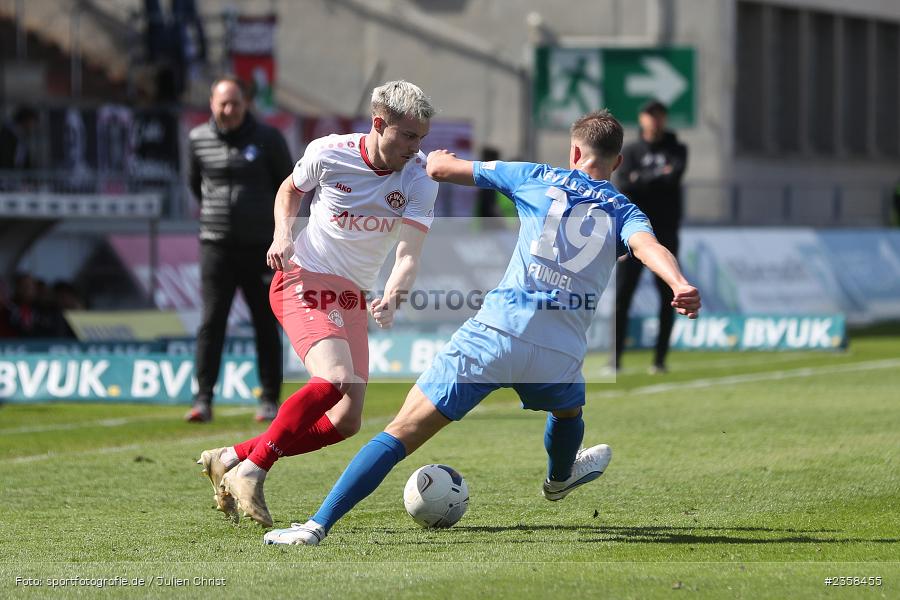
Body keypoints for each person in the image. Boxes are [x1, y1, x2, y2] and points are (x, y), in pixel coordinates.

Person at [261, 109, 702, 545]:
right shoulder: (625, 209)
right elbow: (649, 248)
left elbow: (440, 167)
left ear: (573, 151)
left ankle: (315, 526)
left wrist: (434, 157)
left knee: (399, 433)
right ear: (617, 162)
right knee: (568, 411)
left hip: (495, 334)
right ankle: (559, 476)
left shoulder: (534, 175)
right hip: (558, 351)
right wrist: (679, 284)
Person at [195, 80, 439, 527]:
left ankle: (230, 458)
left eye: (421, 137)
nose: (416, 147)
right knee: (333, 380)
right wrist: (283, 234)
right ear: (378, 124)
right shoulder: (330, 151)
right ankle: (252, 470)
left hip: (350, 296)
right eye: (408, 136)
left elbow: (408, 255)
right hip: (302, 277)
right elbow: (290, 189)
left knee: (346, 421)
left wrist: (391, 295)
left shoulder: (420, 177)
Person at [185, 75, 294, 423]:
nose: (228, 110)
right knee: (211, 322)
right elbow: (194, 185)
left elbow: (288, 186)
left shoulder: (268, 139)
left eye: (234, 103)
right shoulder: (197, 139)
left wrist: (278, 232)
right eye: (222, 104)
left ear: (245, 104)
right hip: (215, 245)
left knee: (265, 322)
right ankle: (203, 398)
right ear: (212, 105)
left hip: (260, 247)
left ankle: (269, 399)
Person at [613, 100, 688, 374]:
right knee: (623, 296)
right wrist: (656, 176)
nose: (654, 121)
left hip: (666, 233)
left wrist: (641, 179)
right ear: (642, 118)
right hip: (633, 234)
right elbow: (624, 183)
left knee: (668, 294)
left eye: (659, 116)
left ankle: (659, 360)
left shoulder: (676, 149)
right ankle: (616, 359)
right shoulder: (631, 150)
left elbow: (673, 178)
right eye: (650, 115)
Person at [0, 106, 38, 170]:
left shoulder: (21, 136)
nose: (32, 126)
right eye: (31, 122)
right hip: (7, 176)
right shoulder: (8, 135)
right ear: (25, 120)